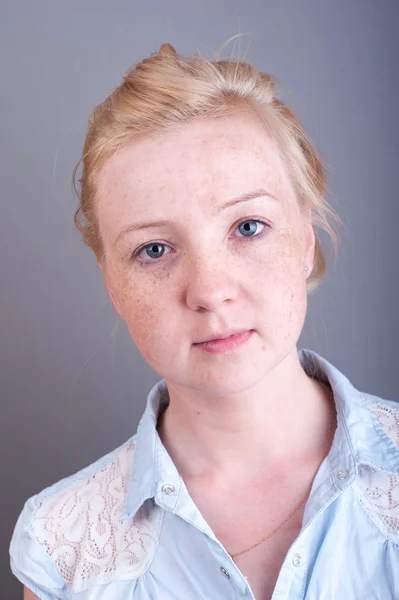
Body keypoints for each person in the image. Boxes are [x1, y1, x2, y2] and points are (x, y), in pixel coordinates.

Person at [9, 43, 399, 600]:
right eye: (154, 250)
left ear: (306, 241)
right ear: (110, 281)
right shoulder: (63, 550)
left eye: (248, 227)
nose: (211, 291)